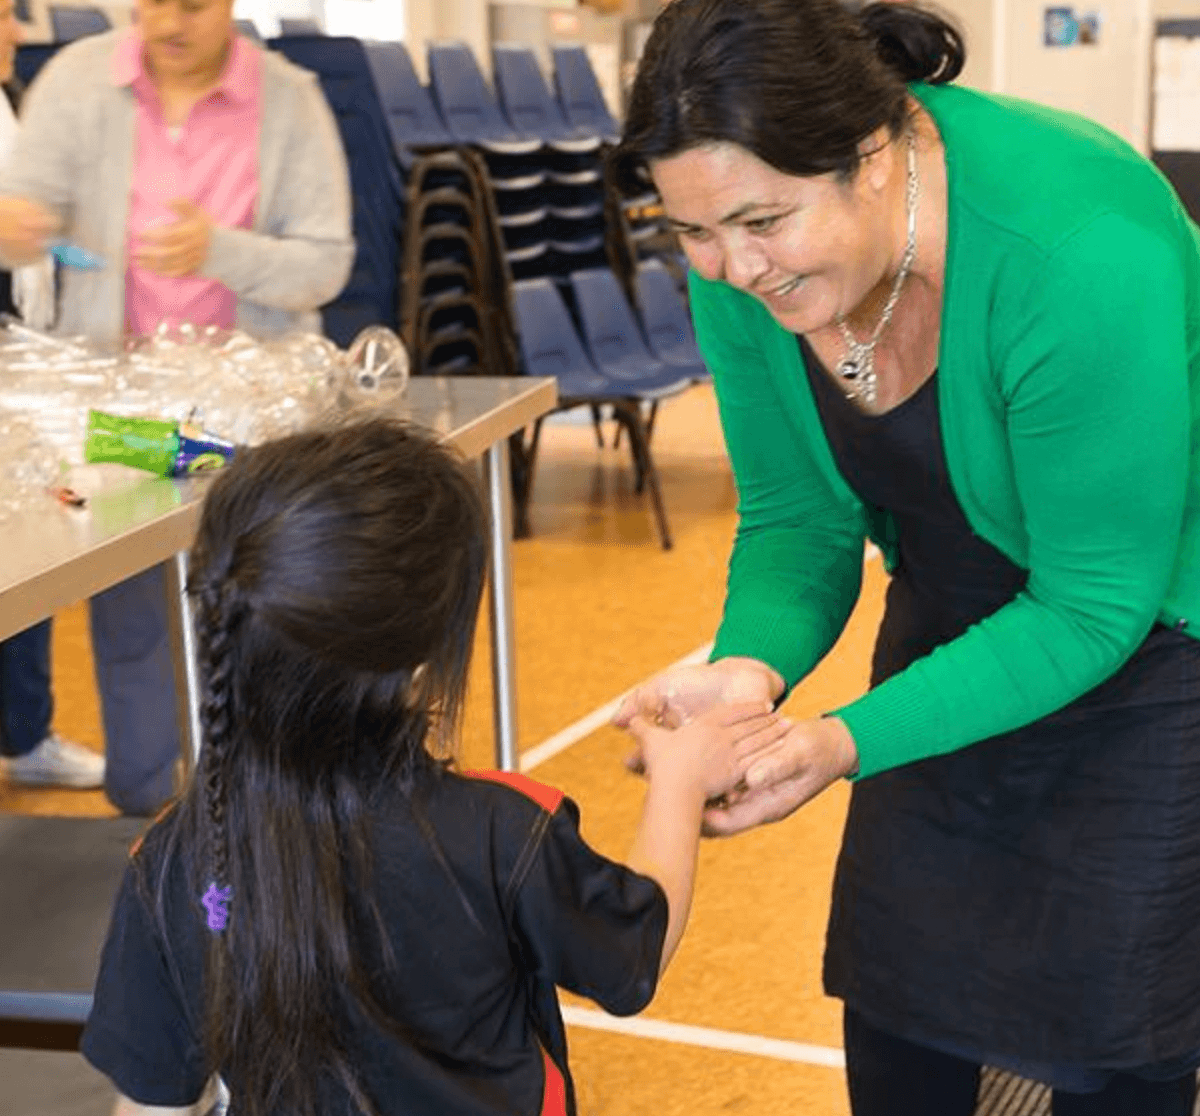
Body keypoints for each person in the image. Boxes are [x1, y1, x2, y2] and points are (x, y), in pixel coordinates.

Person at [609, 2, 1200, 1114]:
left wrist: (841, 740)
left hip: (1196, 604)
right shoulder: (736, 256)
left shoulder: (1070, 241)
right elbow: (796, 521)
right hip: (986, 563)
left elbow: (1092, 606)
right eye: (693, 232)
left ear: (870, 155)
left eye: (759, 222)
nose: (728, 267)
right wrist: (749, 670)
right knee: (904, 967)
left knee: (1115, 1016)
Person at [78, 417, 789, 1116]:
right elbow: (633, 955)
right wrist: (680, 783)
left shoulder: (168, 862)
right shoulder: (502, 831)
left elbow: (151, 1101)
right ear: (418, 670)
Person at [0, 0, 354, 813]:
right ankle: (149, 809)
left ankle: (271, 820)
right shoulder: (77, 81)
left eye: (192, 5)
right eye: (151, 4)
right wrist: (16, 227)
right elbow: (21, 221)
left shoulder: (290, 99)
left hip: (255, 414)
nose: (169, 24)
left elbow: (325, 267)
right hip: (120, 415)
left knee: (264, 617)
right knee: (134, 620)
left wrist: (218, 251)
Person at [0, 0, 106, 792]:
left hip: (19, 354)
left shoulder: (7, 103)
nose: (16, 34)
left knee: (28, 541)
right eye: (0, 18)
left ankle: (23, 730)